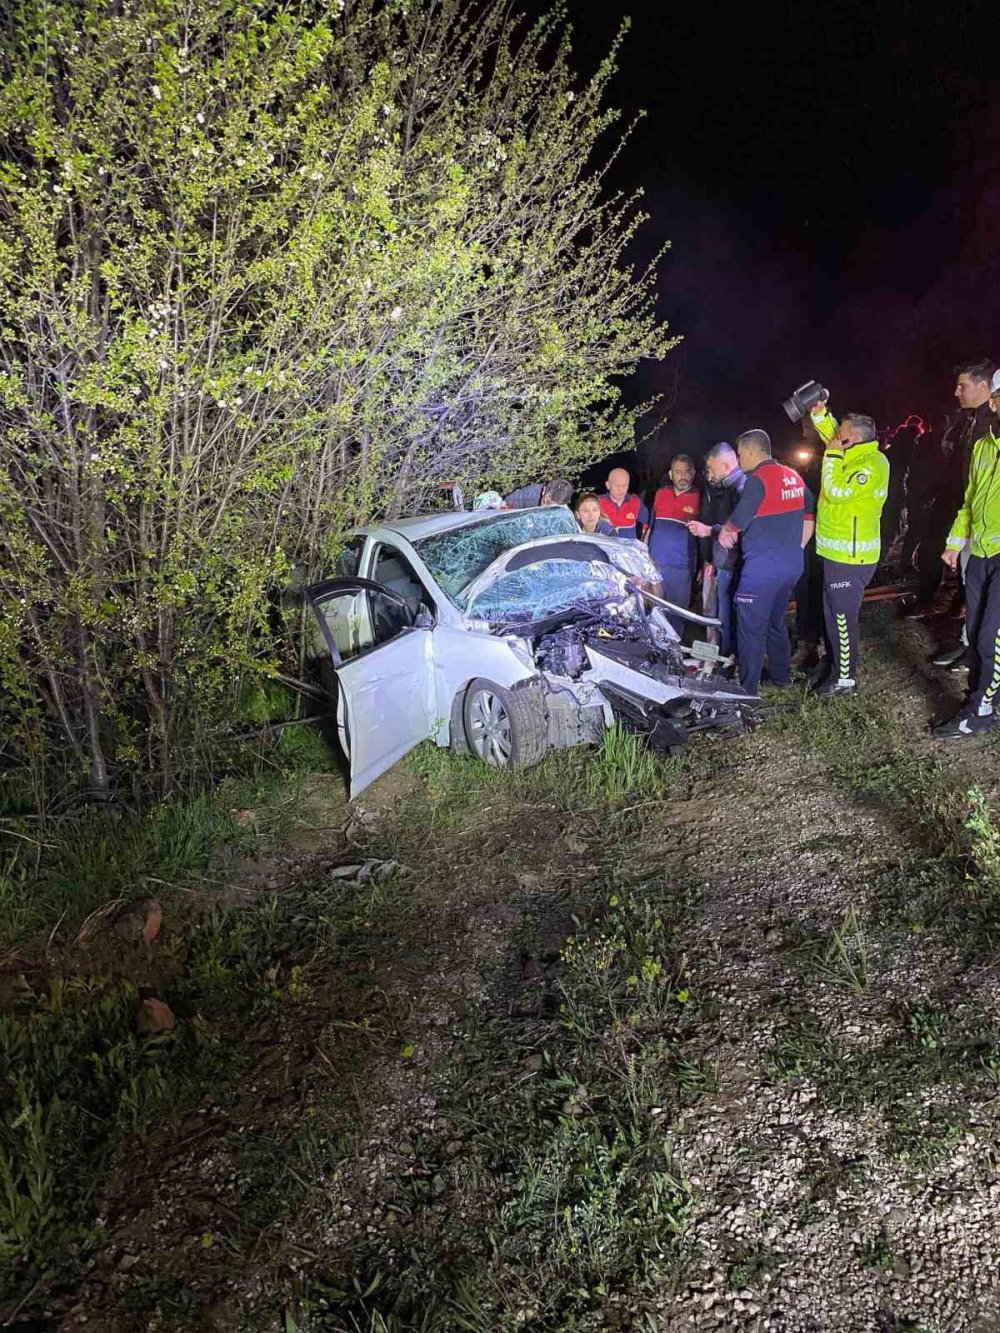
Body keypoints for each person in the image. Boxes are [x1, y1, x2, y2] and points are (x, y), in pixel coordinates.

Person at [718, 429, 814, 696]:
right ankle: (782, 678)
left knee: (750, 630)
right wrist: (797, 547)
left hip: (761, 571)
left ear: (751, 451)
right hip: (791, 567)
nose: (739, 461)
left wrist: (725, 531)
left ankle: (747, 692)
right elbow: (809, 514)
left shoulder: (757, 480)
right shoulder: (793, 476)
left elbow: (738, 520)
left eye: (740, 454)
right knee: (775, 622)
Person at [933, 368, 1000, 738]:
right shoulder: (983, 447)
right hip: (981, 551)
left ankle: (981, 711)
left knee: (991, 637)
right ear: (995, 402)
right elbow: (970, 500)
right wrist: (955, 541)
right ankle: (981, 696)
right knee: (975, 634)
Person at [808, 404, 890, 697]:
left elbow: (836, 492)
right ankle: (836, 663)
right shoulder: (854, 451)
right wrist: (820, 414)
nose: (834, 438)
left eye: (840, 435)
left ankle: (845, 679)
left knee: (842, 620)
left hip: (852, 558)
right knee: (832, 616)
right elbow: (833, 434)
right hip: (836, 553)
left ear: (852, 438)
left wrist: (831, 455)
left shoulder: (872, 464)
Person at [687, 442, 745, 656]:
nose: (709, 474)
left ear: (725, 465)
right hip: (720, 561)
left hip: (731, 563)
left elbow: (736, 531)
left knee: (728, 615)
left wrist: (709, 530)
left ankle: (729, 659)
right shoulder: (723, 489)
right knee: (719, 613)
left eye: (711, 468)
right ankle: (722, 656)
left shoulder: (741, 488)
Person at [647, 454, 701, 622]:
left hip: (681, 566)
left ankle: (675, 639)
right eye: (678, 472)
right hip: (655, 562)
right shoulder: (660, 493)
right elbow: (650, 526)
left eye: (687, 472)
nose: (682, 476)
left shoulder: (700, 498)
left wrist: (703, 562)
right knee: (654, 610)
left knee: (677, 612)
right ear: (671, 474)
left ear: (693, 473)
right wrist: (645, 554)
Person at [599, 467, 650, 538]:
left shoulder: (635, 502)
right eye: (617, 486)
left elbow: (646, 526)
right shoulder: (597, 502)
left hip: (628, 544)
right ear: (608, 485)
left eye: (624, 486)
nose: (621, 490)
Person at [504, 477, 573, 509]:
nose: (546, 507)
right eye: (546, 502)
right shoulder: (529, 497)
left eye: (553, 506)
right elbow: (506, 506)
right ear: (544, 491)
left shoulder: (562, 506)